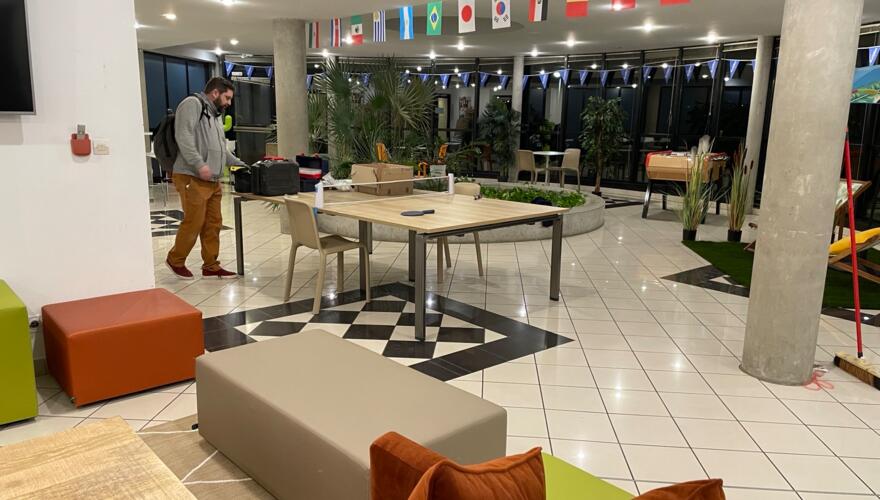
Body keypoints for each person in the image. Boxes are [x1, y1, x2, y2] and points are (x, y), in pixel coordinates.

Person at [165, 77, 247, 280]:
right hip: (191, 176)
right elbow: (183, 136)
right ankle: (175, 260)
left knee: (213, 223)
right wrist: (199, 164)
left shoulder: (214, 114)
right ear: (215, 93)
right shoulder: (192, 104)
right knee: (194, 221)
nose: (229, 103)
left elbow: (221, 149)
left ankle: (211, 265)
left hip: (212, 179)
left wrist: (242, 164)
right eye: (227, 98)